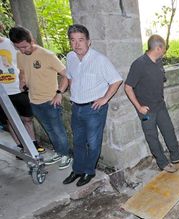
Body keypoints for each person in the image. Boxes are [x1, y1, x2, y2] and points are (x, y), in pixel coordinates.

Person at [62, 24, 123, 187]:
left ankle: (89, 171)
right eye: (73, 40)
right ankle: (78, 170)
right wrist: (66, 92)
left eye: (81, 40)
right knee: (78, 141)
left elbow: (116, 80)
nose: (77, 44)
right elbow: (69, 76)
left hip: (94, 109)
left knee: (93, 142)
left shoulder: (99, 60)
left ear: (89, 41)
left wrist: (104, 99)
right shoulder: (70, 57)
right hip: (76, 107)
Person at [125, 34, 179, 173]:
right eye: (164, 49)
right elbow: (128, 87)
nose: (165, 52)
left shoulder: (159, 61)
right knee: (152, 137)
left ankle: (176, 156)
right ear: (158, 48)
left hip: (160, 106)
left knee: (169, 130)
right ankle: (162, 163)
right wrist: (139, 107)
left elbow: (160, 81)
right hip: (146, 110)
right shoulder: (139, 64)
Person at [9, 26, 72, 170]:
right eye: (18, 47)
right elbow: (22, 71)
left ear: (32, 41)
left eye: (25, 46)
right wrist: (21, 81)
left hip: (50, 101)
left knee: (58, 130)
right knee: (49, 130)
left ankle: (66, 155)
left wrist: (59, 93)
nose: (23, 50)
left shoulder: (47, 55)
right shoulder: (20, 55)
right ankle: (59, 152)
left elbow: (66, 75)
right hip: (33, 100)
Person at [0, 23, 44, 154]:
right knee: (9, 120)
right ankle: (20, 146)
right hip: (2, 92)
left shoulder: (11, 44)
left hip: (17, 88)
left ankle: (33, 143)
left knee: (27, 118)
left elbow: (26, 59)